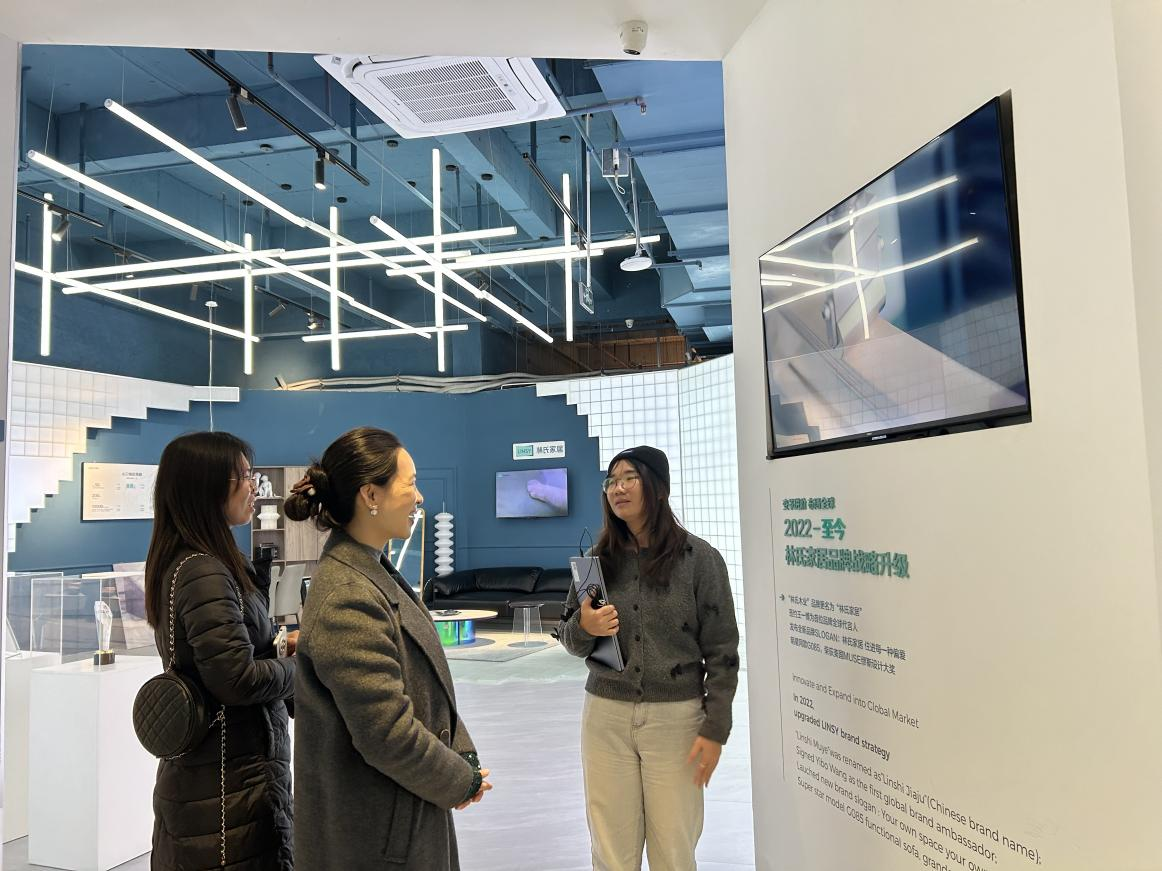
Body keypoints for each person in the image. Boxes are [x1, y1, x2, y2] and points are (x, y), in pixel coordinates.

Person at [286, 426, 490, 871]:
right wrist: (459, 779)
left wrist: (464, 754)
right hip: (375, 836)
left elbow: (424, 687)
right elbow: (386, 733)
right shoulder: (348, 594)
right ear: (370, 495)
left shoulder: (370, 571)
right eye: (410, 484)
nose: (419, 498)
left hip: (398, 814)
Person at [558, 445, 740, 871]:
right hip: (605, 717)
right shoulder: (595, 563)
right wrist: (585, 627)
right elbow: (570, 638)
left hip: (675, 719)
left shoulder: (700, 560)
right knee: (610, 850)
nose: (617, 489)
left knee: (674, 849)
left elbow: (722, 652)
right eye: (611, 481)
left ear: (658, 488)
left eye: (629, 478)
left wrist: (716, 728)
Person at [143, 431, 296, 871]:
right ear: (207, 487)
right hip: (228, 788)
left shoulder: (201, 562)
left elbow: (231, 656)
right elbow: (236, 679)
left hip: (224, 779)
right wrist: (301, 667)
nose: (254, 487)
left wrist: (278, 646)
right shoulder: (203, 571)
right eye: (244, 477)